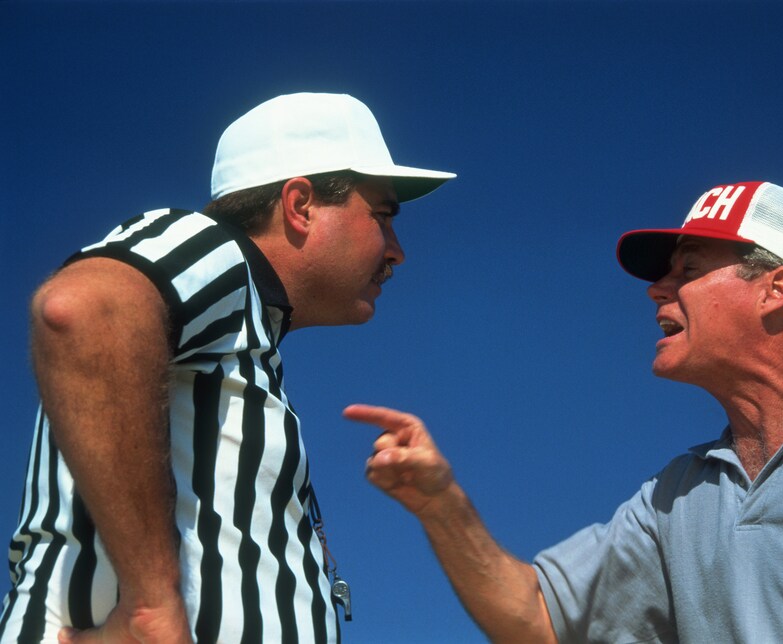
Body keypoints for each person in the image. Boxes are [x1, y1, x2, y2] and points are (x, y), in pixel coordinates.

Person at [345, 181, 783, 642]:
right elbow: (538, 619)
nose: (656, 289)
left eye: (689, 269)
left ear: (777, 290)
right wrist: (441, 505)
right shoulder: (677, 498)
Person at [1, 92, 454, 643]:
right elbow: (84, 310)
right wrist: (151, 609)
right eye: (382, 216)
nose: (396, 249)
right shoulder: (217, 254)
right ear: (300, 205)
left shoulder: (245, 330)